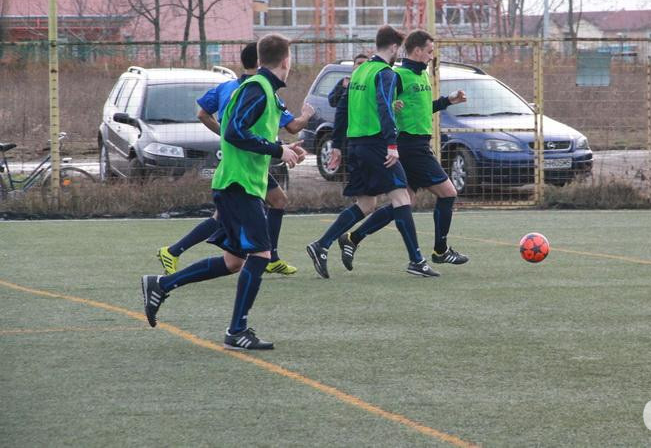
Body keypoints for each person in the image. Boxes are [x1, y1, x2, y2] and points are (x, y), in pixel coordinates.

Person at [142, 33, 306, 350]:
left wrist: (285, 149)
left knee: (234, 261)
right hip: (238, 185)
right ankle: (236, 331)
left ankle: (161, 284)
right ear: (286, 60)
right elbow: (233, 132)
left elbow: (248, 133)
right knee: (261, 255)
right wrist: (277, 149)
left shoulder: (263, 90)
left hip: (240, 184)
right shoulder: (258, 89)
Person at [156, 42, 314, 276]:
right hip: (246, 166)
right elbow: (292, 126)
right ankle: (267, 257)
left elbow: (202, 113)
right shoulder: (260, 91)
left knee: (270, 203)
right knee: (245, 221)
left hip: (240, 161)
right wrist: (307, 115)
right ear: (261, 61)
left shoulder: (226, 87)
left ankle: (175, 252)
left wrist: (226, 135)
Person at [305, 25, 438, 278]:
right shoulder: (384, 73)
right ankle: (416, 261)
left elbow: (343, 108)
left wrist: (337, 145)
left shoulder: (360, 71)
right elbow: (385, 108)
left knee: (366, 204)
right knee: (402, 198)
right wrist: (392, 144)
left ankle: (321, 244)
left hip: (356, 146)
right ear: (394, 47)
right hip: (376, 144)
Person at [337, 29, 469, 271]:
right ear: (417, 51)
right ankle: (440, 251)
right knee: (448, 193)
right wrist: (392, 112)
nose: (431, 56)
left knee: (403, 202)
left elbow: (421, 108)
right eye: (429, 51)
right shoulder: (397, 76)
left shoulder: (421, 75)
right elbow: (384, 106)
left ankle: (353, 238)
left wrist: (447, 101)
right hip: (409, 145)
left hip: (416, 145)